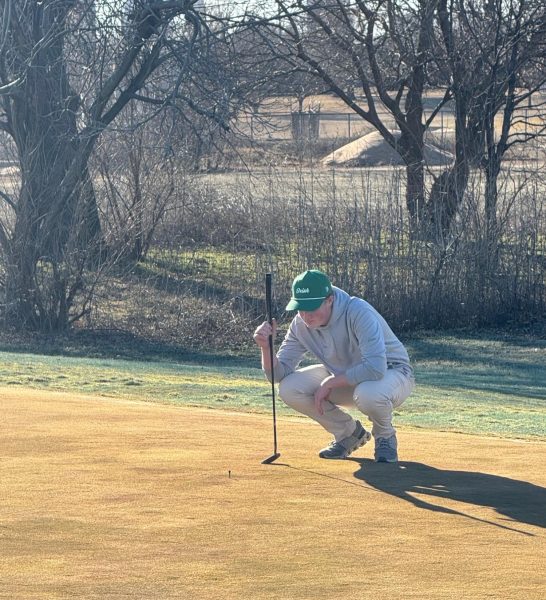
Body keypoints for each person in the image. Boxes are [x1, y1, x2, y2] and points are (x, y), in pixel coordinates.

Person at [253, 269, 415, 462]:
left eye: (312, 308)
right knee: (289, 388)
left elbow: (375, 368)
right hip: (346, 378)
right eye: (301, 308)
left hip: (392, 374)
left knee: (369, 394)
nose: (306, 316)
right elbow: (277, 377)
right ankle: (349, 434)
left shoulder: (358, 312)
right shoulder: (299, 325)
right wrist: (266, 348)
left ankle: (385, 437)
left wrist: (330, 383)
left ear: (329, 299)